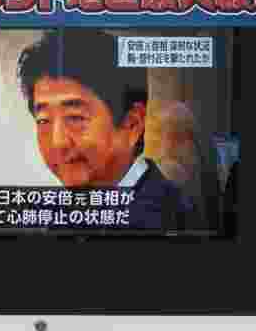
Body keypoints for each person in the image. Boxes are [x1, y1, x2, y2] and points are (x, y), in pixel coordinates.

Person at [16, 28, 198, 232]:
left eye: (75, 118)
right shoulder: (54, 215)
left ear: (132, 124)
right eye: (43, 121)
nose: (58, 142)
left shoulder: (174, 220)